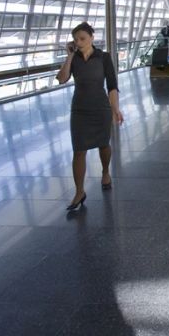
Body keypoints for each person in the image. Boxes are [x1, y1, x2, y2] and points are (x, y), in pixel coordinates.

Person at [56, 22, 123, 211]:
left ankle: (105, 172)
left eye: (83, 38)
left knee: (103, 144)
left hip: (100, 108)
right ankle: (79, 191)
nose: (79, 42)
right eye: (76, 39)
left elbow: (112, 85)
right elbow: (62, 79)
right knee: (78, 150)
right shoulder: (74, 58)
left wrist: (115, 109)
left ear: (92, 38)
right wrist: (69, 56)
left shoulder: (104, 58)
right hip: (79, 109)